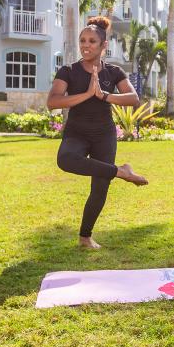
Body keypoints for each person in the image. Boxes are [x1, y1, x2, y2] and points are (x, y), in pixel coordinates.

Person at [47, 16, 148, 249]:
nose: (86, 45)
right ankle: (121, 172)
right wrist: (86, 94)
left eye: (92, 41)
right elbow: (53, 101)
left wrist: (103, 95)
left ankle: (85, 237)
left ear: (104, 46)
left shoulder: (114, 72)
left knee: (100, 186)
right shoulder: (68, 71)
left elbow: (133, 99)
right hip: (77, 132)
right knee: (65, 159)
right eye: (83, 40)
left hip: (104, 134)